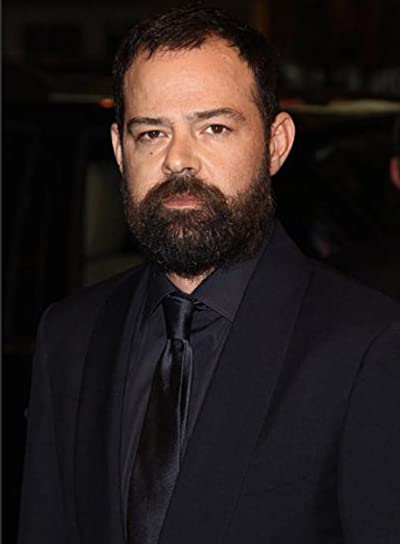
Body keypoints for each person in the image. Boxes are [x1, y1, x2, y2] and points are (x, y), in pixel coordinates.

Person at [18, 5, 400, 544]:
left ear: (275, 144)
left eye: (214, 128)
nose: (179, 160)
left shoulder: (369, 344)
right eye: (152, 133)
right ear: (120, 150)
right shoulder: (70, 337)